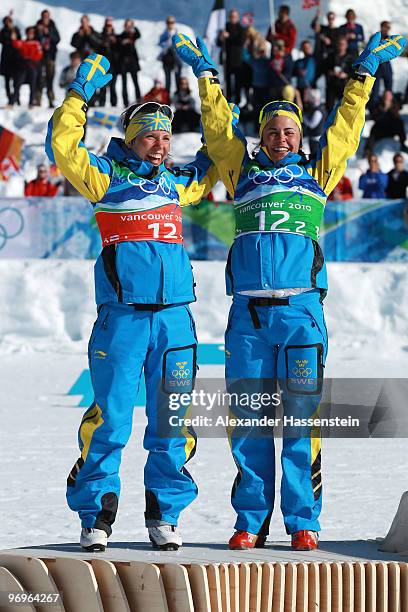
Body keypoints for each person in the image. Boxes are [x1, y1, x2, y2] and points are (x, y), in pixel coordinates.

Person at [173, 30, 406, 550]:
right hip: (250, 318)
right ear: (261, 136)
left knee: (303, 422)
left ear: (300, 137)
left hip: (301, 313)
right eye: (273, 131)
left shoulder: (317, 174)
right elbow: (216, 131)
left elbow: (346, 129)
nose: (282, 138)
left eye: (290, 131)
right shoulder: (242, 173)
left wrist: (363, 74)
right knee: (249, 421)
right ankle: (250, 519)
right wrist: (207, 76)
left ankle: (303, 521)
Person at [45, 53, 218, 552]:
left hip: (174, 322)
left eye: (166, 136)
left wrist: (207, 80)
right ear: (132, 138)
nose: (160, 144)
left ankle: (165, 514)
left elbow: (222, 148)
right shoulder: (103, 176)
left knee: (172, 421)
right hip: (121, 320)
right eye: (151, 135)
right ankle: (96, 516)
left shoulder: (179, 183)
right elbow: (62, 145)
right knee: (112, 419)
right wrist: (80, 92)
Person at [217, 9, 246, 104]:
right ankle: (227, 101)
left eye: (234, 16)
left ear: (237, 18)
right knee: (227, 82)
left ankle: (237, 102)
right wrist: (221, 38)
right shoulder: (225, 27)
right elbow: (218, 43)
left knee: (238, 82)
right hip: (227, 59)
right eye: (231, 17)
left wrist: (228, 37)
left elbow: (240, 42)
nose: (233, 18)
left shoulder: (241, 29)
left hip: (237, 60)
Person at [11, 26, 43, 108]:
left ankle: (31, 103)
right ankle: (13, 102)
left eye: (32, 33)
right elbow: (16, 44)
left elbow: (39, 55)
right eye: (29, 33)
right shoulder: (23, 43)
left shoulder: (36, 43)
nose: (30, 34)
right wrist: (13, 38)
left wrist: (31, 59)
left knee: (33, 86)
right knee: (17, 84)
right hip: (24, 68)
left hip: (32, 67)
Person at [35, 9, 60, 108]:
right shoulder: (37, 27)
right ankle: (38, 100)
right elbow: (33, 39)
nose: (45, 18)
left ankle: (51, 100)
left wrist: (48, 32)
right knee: (39, 78)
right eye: (44, 16)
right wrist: (40, 32)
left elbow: (57, 39)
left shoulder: (52, 27)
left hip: (50, 57)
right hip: (40, 57)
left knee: (50, 79)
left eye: (47, 16)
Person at [324, 35, 354, 112]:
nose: (341, 46)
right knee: (329, 107)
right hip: (332, 84)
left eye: (343, 44)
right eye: (339, 44)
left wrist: (346, 74)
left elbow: (354, 72)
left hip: (344, 86)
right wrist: (331, 72)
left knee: (343, 108)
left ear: (346, 45)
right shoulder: (331, 56)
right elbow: (324, 68)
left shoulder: (350, 58)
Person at [117, 19, 141, 106]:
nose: (128, 27)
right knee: (124, 83)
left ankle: (139, 100)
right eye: (127, 25)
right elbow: (118, 46)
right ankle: (125, 102)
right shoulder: (121, 36)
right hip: (124, 62)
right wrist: (123, 43)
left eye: (130, 25)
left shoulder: (133, 35)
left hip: (132, 62)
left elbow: (138, 35)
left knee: (136, 82)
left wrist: (134, 27)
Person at [0, 14, 21, 106]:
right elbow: (1, 40)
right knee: (7, 81)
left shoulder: (15, 30)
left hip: (15, 59)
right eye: (6, 22)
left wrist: (14, 35)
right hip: (6, 59)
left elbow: (20, 40)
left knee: (16, 81)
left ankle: (16, 97)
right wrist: (9, 38)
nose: (8, 23)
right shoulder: (3, 31)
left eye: (9, 21)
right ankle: (9, 98)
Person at [99, 17, 119, 107]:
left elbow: (119, 52)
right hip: (103, 65)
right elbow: (97, 49)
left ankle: (113, 104)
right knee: (103, 86)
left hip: (113, 65)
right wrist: (103, 43)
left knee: (113, 86)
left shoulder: (116, 37)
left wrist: (115, 43)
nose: (108, 27)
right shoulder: (100, 36)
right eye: (107, 25)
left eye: (110, 25)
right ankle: (101, 104)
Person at [158, 16, 181, 94]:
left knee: (178, 80)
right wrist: (167, 43)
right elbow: (160, 44)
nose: (170, 24)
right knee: (168, 81)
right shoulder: (164, 34)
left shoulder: (177, 34)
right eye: (169, 22)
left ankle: (178, 99)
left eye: (172, 22)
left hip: (176, 59)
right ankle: (167, 100)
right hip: (167, 60)